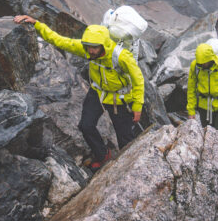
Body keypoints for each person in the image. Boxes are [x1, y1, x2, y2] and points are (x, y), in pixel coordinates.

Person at [14, 15, 144, 171]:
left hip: (119, 99)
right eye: (88, 46)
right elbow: (59, 40)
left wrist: (137, 106)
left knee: (125, 139)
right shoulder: (86, 49)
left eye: (94, 47)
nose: (90, 51)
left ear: (103, 45)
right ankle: (103, 155)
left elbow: (138, 80)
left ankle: (130, 168)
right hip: (97, 93)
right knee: (86, 126)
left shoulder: (121, 56)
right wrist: (37, 24)